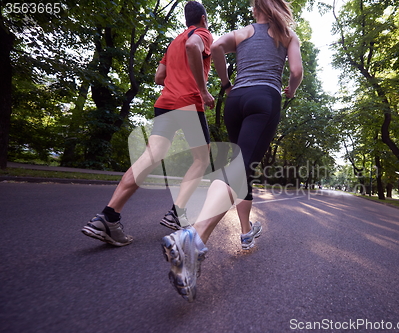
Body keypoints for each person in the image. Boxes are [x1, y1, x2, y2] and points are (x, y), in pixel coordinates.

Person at [161, 0, 303, 302]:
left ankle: (245, 230)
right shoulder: (288, 36)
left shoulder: (243, 33)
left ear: (256, 10)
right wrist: (292, 88)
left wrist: (225, 83)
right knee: (240, 169)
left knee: (241, 168)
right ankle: (192, 238)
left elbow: (216, 49)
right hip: (264, 98)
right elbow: (296, 69)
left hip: (236, 101)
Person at [82, 1, 215, 247]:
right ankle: (177, 213)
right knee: (202, 159)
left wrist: (177, 77)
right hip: (188, 103)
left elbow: (159, 77)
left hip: (165, 103)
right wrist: (203, 90)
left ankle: (108, 216)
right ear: (204, 19)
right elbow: (193, 46)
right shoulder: (202, 34)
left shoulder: (173, 42)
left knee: (150, 156)